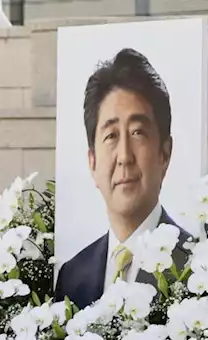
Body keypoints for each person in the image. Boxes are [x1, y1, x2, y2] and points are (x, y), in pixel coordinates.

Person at [55, 48, 191, 309]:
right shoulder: (72, 277)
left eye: (138, 132)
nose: (125, 156)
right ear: (92, 162)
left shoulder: (196, 267)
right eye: (111, 136)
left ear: (164, 153)